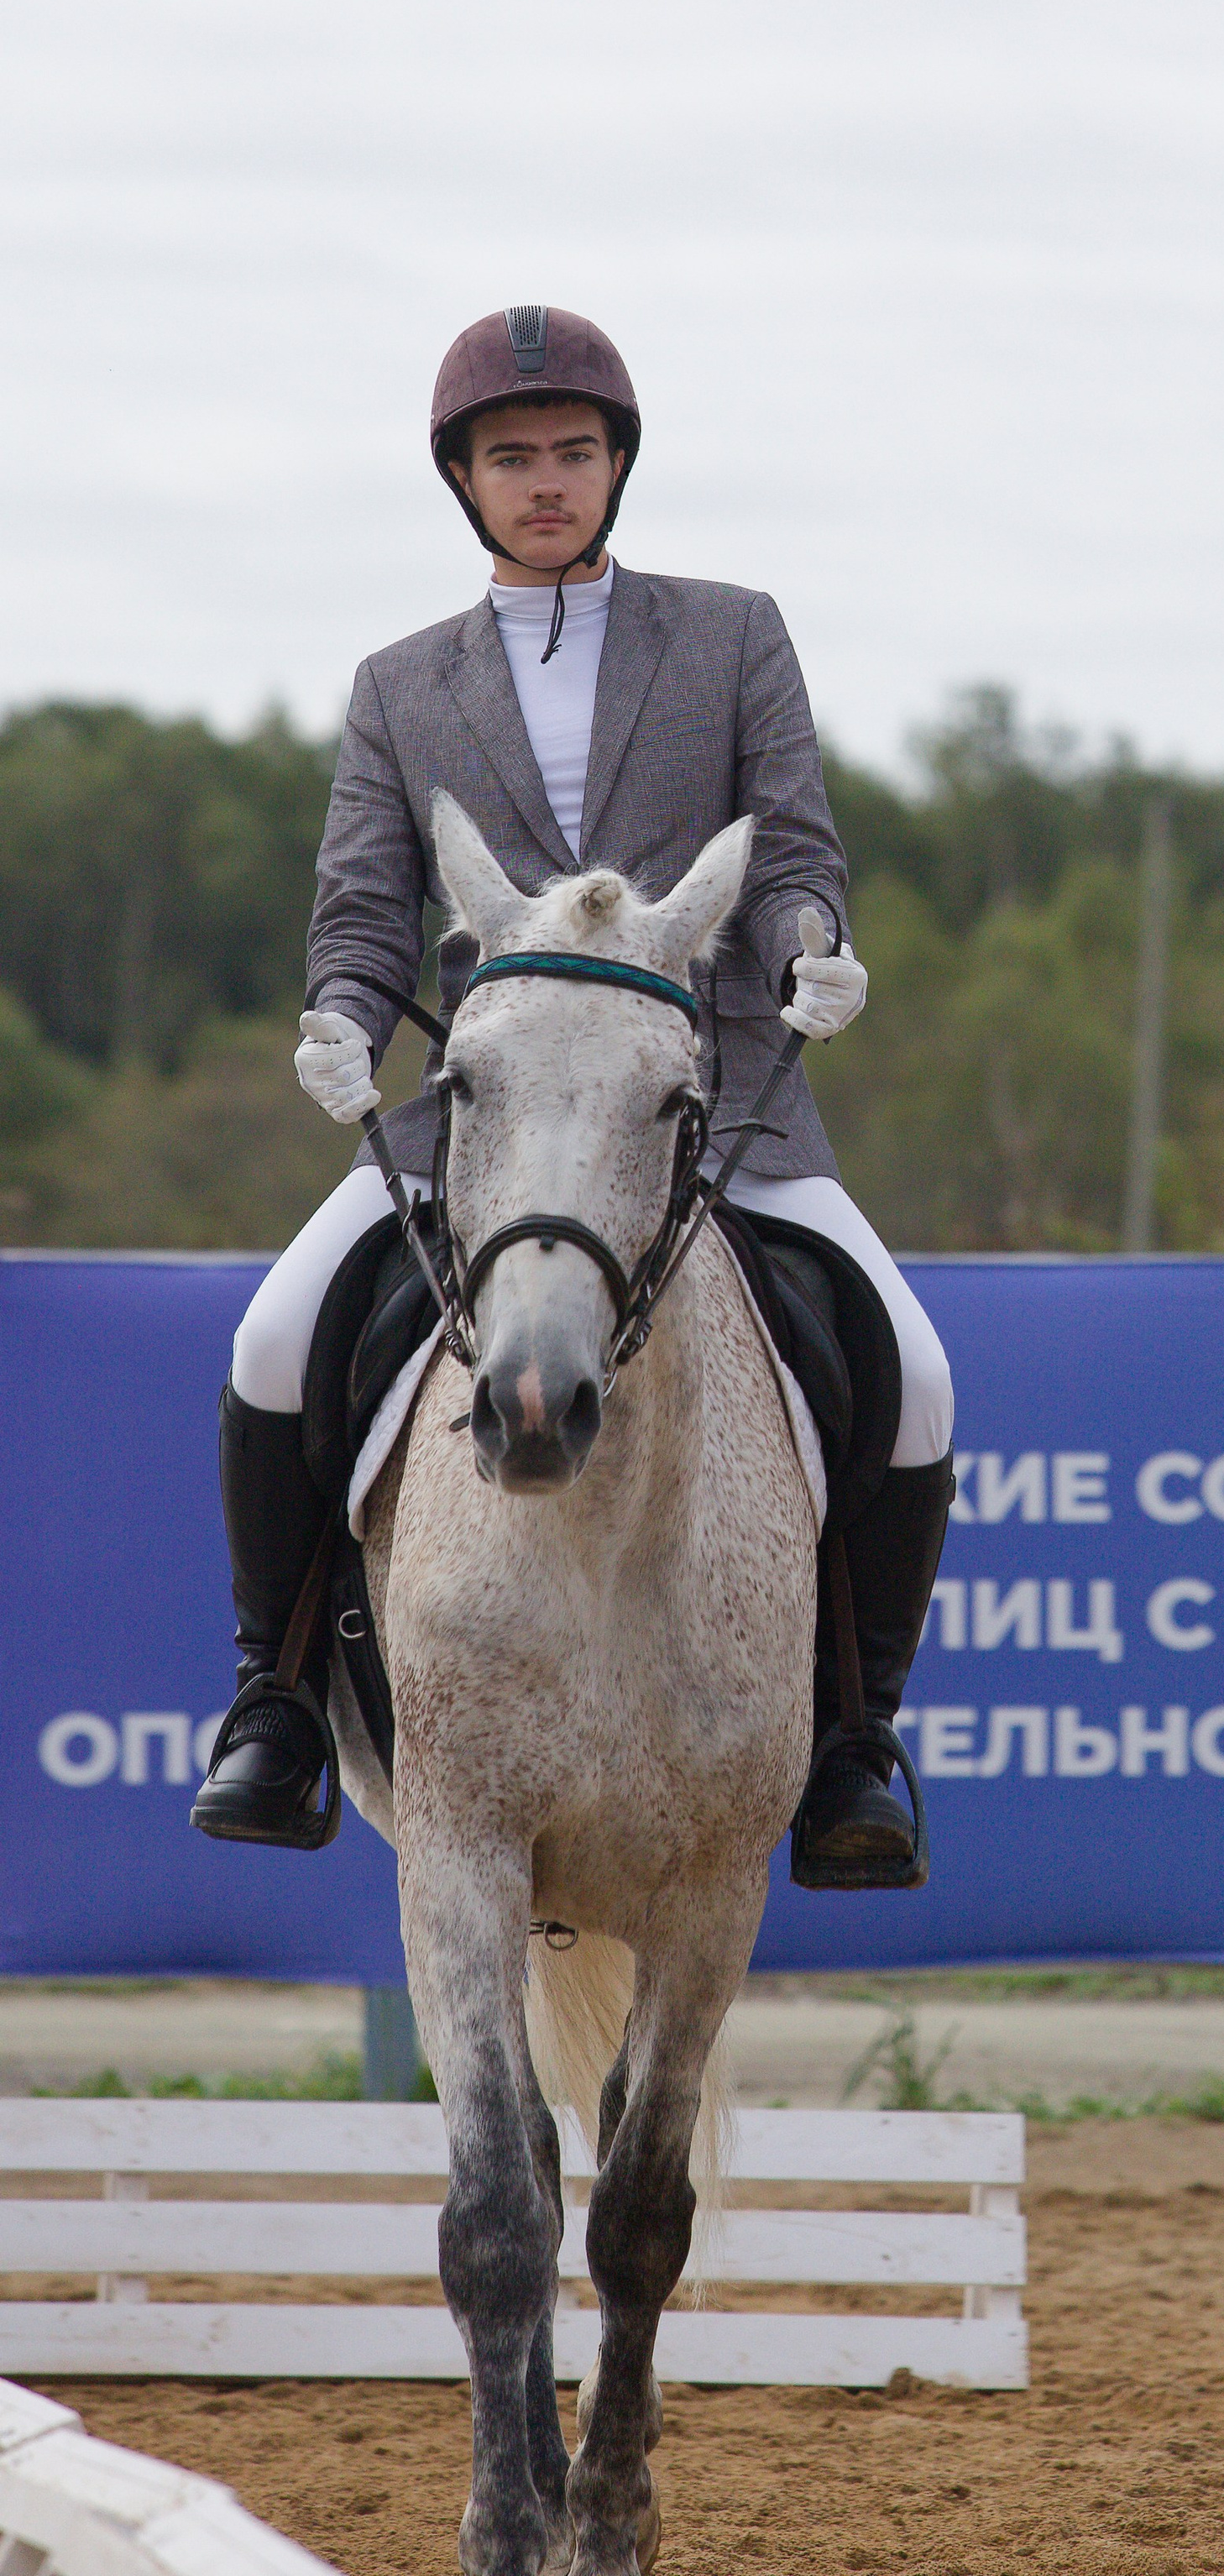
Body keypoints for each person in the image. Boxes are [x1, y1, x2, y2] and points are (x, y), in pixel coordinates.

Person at [190, 301, 952, 1887]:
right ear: (465, 479)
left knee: (920, 1377)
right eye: (514, 456)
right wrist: (339, 1017)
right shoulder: (401, 685)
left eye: (576, 453)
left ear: (618, 467)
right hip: (489, 1121)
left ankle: (857, 1737)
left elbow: (794, 847)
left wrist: (815, 943)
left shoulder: (733, 631)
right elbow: (361, 908)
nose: (549, 480)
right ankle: (271, 1700)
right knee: (275, 1342)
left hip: (707, 1105)